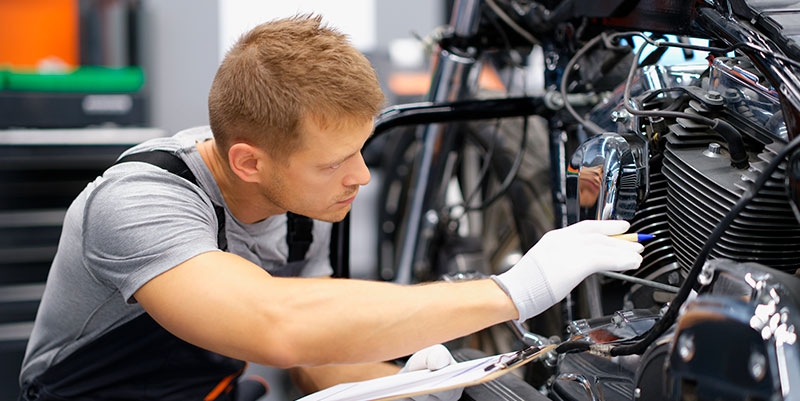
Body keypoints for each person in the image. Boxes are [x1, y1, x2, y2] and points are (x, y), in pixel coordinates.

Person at [18, 14, 644, 401]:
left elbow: (316, 353)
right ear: (248, 162)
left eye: (360, 151)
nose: (362, 177)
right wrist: (516, 290)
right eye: (333, 163)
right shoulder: (138, 203)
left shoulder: (296, 204)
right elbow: (274, 323)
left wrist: (412, 388)